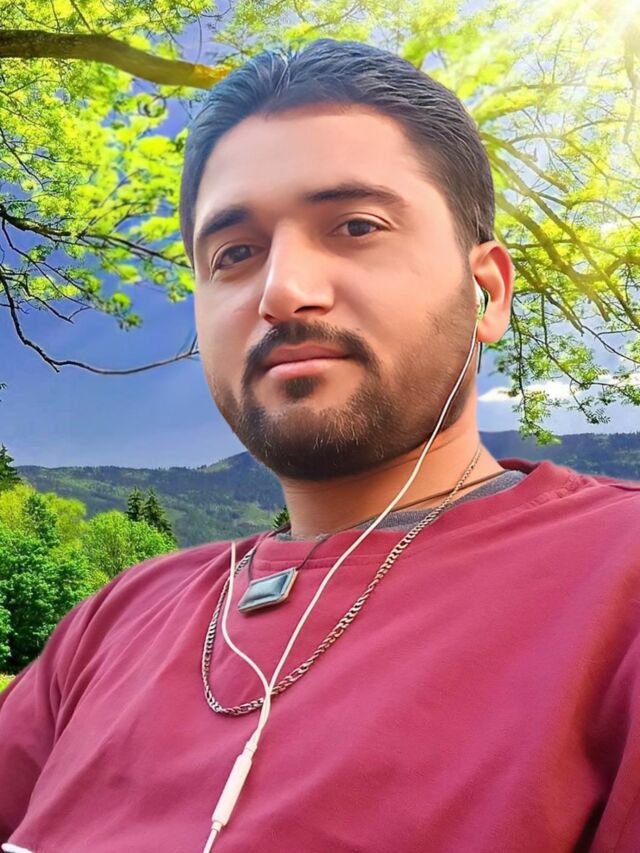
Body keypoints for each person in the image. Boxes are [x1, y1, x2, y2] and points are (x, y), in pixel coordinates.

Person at [1, 38, 639, 853]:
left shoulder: (618, 581)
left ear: (487, 291)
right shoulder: (114, 620)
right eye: (235, 253)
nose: (283, 291)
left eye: (356, 226)